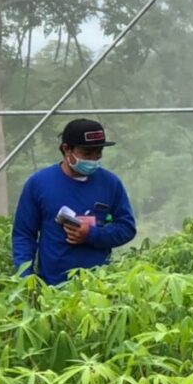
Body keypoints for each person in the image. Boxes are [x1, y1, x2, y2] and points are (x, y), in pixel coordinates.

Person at [12, 118, 137, 285]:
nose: (93, 159)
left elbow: (126, 228)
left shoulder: (110, 183)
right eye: (87, 153)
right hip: (52, 287)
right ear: (66, 149)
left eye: (98, 152)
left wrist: (91, 234)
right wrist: (25, 279)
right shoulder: (39, 183)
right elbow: (24, 235)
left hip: (100, 286)